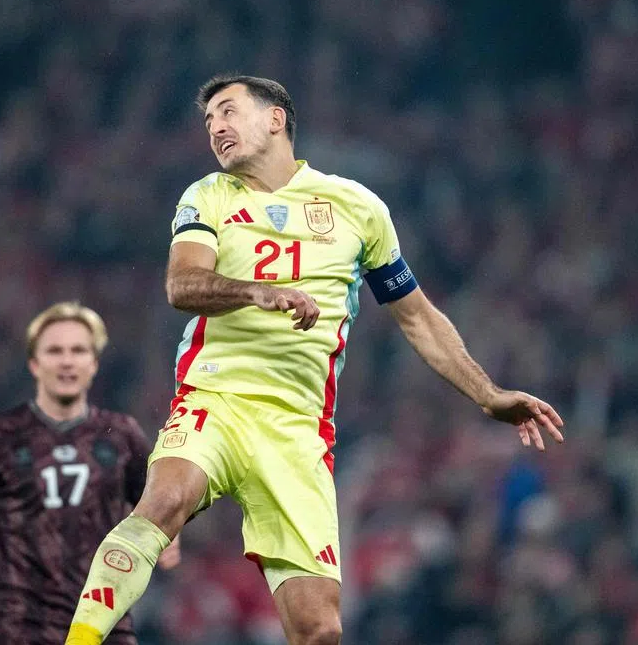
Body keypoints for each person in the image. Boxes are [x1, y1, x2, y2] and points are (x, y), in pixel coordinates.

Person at [65, 75, 566, 645]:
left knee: (319, 628)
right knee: (164, 502)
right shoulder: (207, 195)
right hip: (216, 399)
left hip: (299, 430)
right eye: (208, 123)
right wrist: (257, 291)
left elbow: (417, 316)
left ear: (276, 119)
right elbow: (182, 283)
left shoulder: (358, 208)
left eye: (228, 113)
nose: (216, 129)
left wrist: (488, 394)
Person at [0, 302, 180, 645]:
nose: (67, 361)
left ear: (94, 363)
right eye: (55, 351)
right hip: (18, 625)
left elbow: (158, 508)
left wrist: (168, 535)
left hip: (105, 620)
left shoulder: (123, 435)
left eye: (78, 351)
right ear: (34, 363)